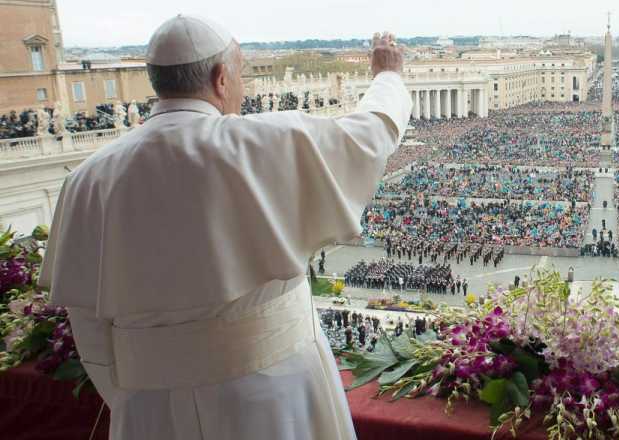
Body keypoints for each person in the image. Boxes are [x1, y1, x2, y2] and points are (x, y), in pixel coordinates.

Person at [40, 15, 411, 440]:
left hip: (150, 406)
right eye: (241, 74)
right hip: (274, 393)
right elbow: (371, 135)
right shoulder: (260, 143)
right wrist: (387, 75)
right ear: (220, 79)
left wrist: (141, 398)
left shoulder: (87, 179)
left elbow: (89, 326)